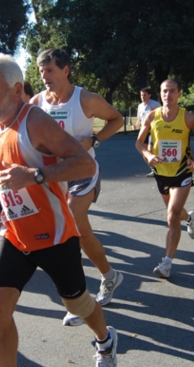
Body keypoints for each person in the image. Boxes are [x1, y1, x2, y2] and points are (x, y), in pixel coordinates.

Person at [0, 53, 118, 367]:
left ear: (17, 90)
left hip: (55, 236)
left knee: (78, 304)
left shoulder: (35, 120)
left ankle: (106, 340)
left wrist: (34, 176)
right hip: (16, 234)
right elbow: (0, 166)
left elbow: (85, 163)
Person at [30, 48, 124, 327]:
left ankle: (78, 301)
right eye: (41, 71)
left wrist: (93, 140)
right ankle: (109, 276)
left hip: (83, 172)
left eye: (50, 70)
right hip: (54, 177)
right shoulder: (37, 102)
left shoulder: (86, 99)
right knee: (82, 234)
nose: (44, 76)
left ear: (66, 70)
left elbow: (117, 119)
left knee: (67, 226)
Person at [135, 79, 194, 278]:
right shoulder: (151, 117)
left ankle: (167, 263)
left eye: (172, 91)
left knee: (172, 215)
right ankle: (189, 218)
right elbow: (139, 143)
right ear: (160, 93)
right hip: (161, 173)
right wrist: (148, 155)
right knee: (175, 213)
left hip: (182, 171)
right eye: (165, 91)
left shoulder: (189, 118)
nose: (168, 95)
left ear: (179, 94)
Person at [133, 87, 161, 178]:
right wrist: (136, 125)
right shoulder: (140, 106)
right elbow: (139, 120)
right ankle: (153, 169)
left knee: (150, 151)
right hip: (143, 131)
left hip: (153, 130)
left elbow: (163, 115)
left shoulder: (155, 104)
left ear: (149, 95)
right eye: (141, 95)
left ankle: (160, 169)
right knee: (144, 153)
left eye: (145, 95)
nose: (143, 97)